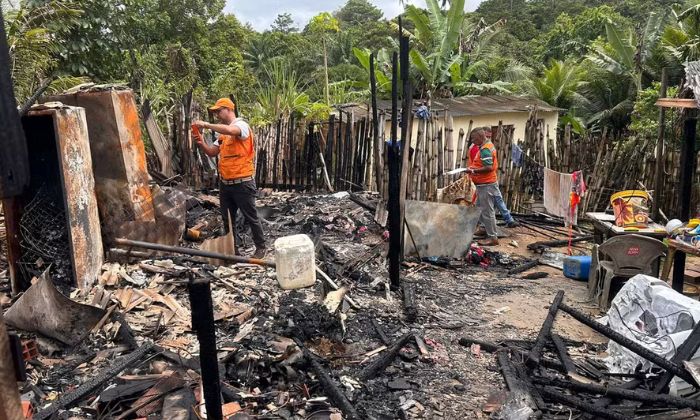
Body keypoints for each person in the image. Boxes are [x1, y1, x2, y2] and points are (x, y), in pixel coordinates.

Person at [194, 98, 266, 258]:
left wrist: (206, 125)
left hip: (243, 182)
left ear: (228, 109)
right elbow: (212, 152)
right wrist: (201, 143)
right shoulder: (222, 135)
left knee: (251, 217)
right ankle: (234, 250)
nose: (218, 115)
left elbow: (232, 131)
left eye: (219, 111)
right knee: (228, 220)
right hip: (226, 184)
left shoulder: (242, 126)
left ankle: (261, 247)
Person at [466, 127, 503, 246]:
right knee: (480, 208)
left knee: (487, 211)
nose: (472, 141)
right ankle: (483, 228)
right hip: (484, 183)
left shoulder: (485, 149)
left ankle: (493, 237)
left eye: (473, 138)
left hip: (486, 184)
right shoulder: (486, 145)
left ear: (480, 137)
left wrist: (474, 171)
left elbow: (489, 167)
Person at [468, 139, 518, 228]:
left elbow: (487, 167)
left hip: (486, 181)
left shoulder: (484, 149)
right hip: (488, 180)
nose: (488, 138)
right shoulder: (486, 146)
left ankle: (489, 229)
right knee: (492, 201)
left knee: (487, 207)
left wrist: (472, 170)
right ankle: (506, 220)